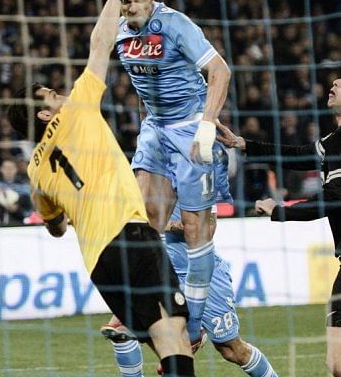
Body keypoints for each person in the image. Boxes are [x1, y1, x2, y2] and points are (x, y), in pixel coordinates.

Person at [7, 0, 195, 377]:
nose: (59, 94)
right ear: (44, 113)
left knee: (161, 342)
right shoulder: (77, 110)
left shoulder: (35, 170)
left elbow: (54, 227)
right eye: (49, 95)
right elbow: (100, 42)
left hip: (98, 264)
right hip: (130, 236)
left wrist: (72, 210)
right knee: (175, 334)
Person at [114, 0, 231, 342]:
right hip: (155, 127)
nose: (131, 6)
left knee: (196, 229)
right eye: (124, 0)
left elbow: (220, 71)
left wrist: (208, 122)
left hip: (191, 129)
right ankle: (147, 306)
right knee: (144, 217)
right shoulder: (117, 32)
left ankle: (194, 325)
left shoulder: (176, 25)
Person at [102, 154, 279, 377]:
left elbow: (208, 229)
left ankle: (196, 331)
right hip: (161, 272)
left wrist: (163, 226)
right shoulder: (142, 173)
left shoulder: (196, 176)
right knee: (120, 331)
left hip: (202, 275)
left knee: (232, 349)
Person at [216, 77, 341, 377]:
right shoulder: (333, 142)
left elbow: (333, 200)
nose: (334, 84)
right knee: (336, 364)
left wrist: (279, 211)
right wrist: (244, 144)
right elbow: (297, 156)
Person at [0, 159, 32, 225]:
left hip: (18, 225)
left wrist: (17, 210)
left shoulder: (24, 187)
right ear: (1, 169)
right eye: (6, 168)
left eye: (11, 168)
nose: (8, 171)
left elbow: (29, 210)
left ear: (16, 169)